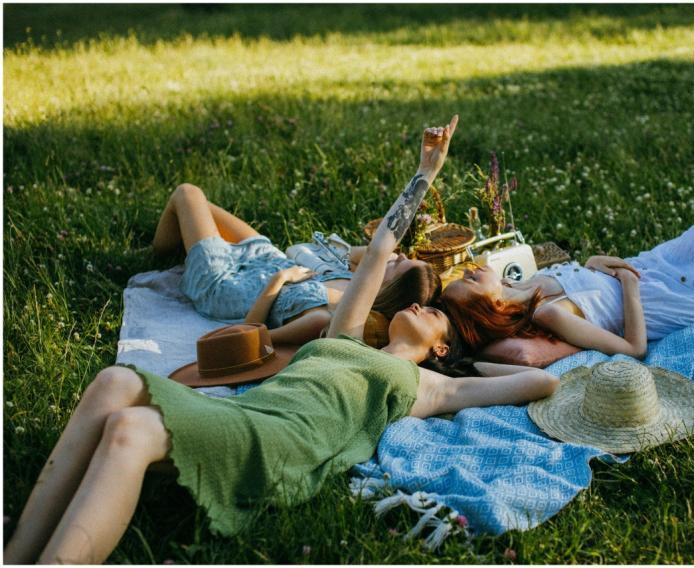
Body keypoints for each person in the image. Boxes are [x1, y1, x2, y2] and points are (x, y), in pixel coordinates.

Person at [4, 115, 560, 564]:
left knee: (131, 428)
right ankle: (19, 553)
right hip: (247, 421)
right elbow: (386, 245)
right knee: (114, 382)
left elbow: (536, 378)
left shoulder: (426, 387)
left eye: (435, 317)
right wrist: (426, 169)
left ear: (441, 350)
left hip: (280, 449)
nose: (421, 306)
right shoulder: (345, 333)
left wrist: (468, 368)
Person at [441, 194, 694, 357]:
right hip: (663, 294)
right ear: (489, 305)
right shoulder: (547, 314)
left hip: (653, 264)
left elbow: (582, 276)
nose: (476, 269)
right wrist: (630, 287)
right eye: (471, 280)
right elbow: (633, 348)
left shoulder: (524, 285)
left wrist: (596, 261)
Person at [152, 183, 442, 345]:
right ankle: (175, 246)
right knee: (200, 203)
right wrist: (381, 258)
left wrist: (277, 281)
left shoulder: (327, 318)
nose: (399, 256)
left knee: (187, 194)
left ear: (388, 287)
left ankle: (155, 253)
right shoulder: (356, 282)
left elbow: (251, 336)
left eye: (399, 265)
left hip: (228, 285)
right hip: (266, 258)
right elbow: (356, 252)